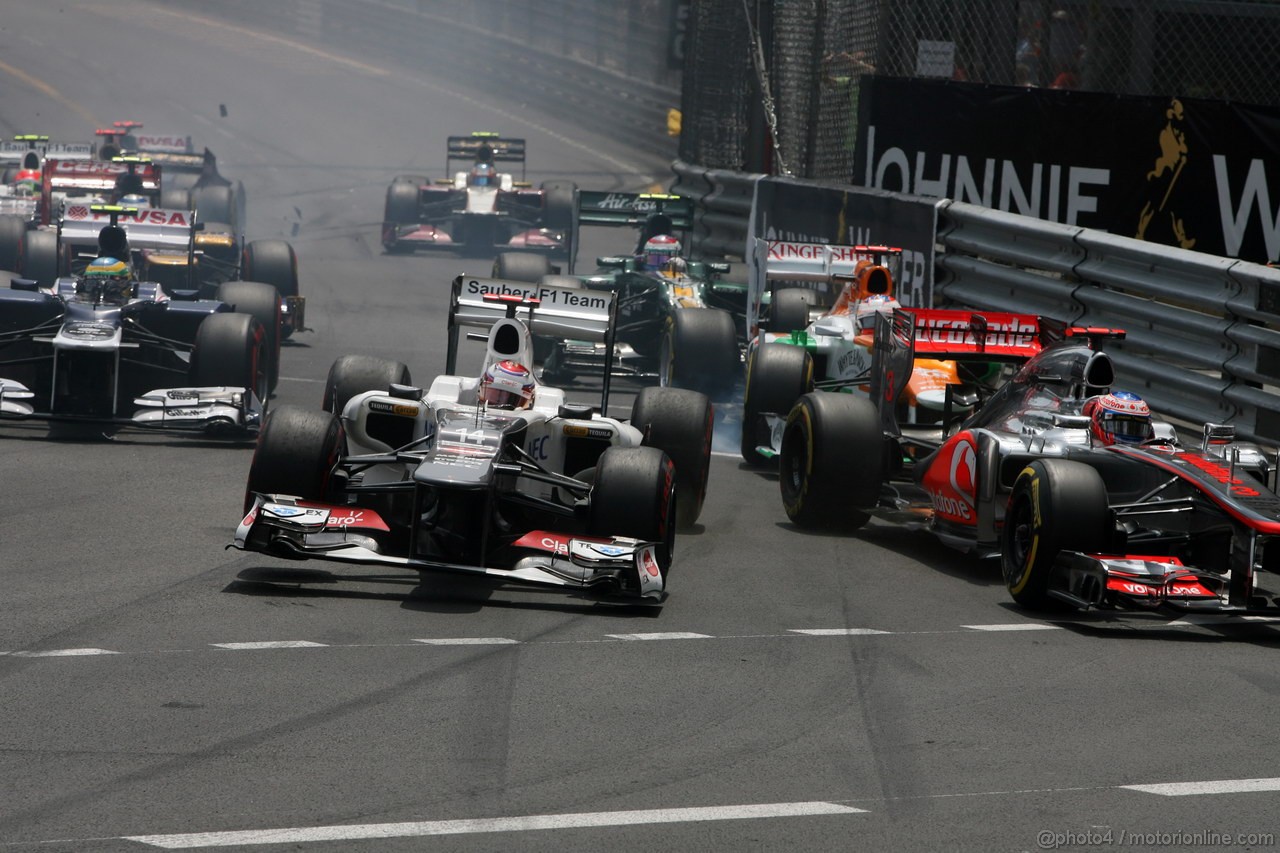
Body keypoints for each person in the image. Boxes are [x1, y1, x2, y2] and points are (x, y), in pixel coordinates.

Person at [1083, 390, 1154, 446]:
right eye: (1119, 426)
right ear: (1098, 419)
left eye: (1137, 429)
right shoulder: (1081, 445)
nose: (1129, 435)